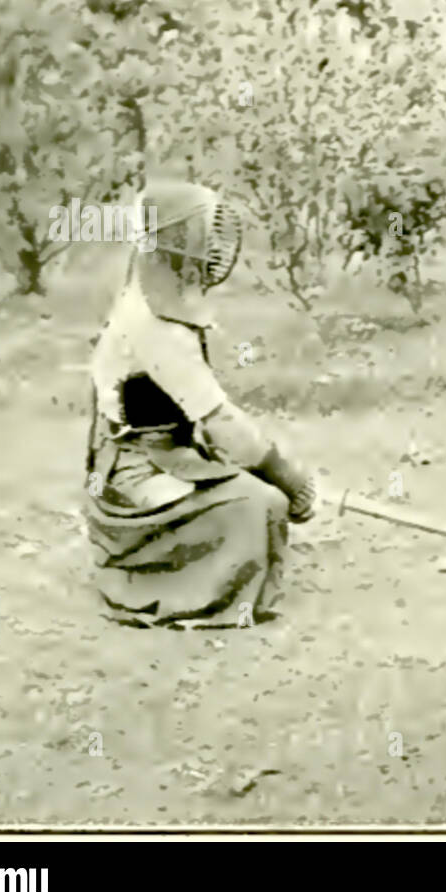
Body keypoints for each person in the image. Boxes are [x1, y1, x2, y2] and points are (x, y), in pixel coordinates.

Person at [84, 179, 317, 628]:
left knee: (248, 489)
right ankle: (160, 575)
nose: (215, 247)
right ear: (176, 242)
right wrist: (289, 481)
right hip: (137, 466)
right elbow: (221, 419)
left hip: (170, 449)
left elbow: (207, 420)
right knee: (260, 504)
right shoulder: (152, 325)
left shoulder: (156, 302)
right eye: (204, 235)